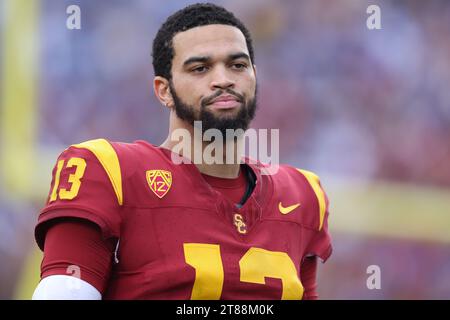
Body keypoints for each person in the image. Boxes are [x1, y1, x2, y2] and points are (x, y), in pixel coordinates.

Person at [32, 3, 332, 300]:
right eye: (200, 68)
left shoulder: (303, 195)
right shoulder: (109, 170)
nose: (224, 79)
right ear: (164, 90)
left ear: (254, 76)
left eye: (237, 65)